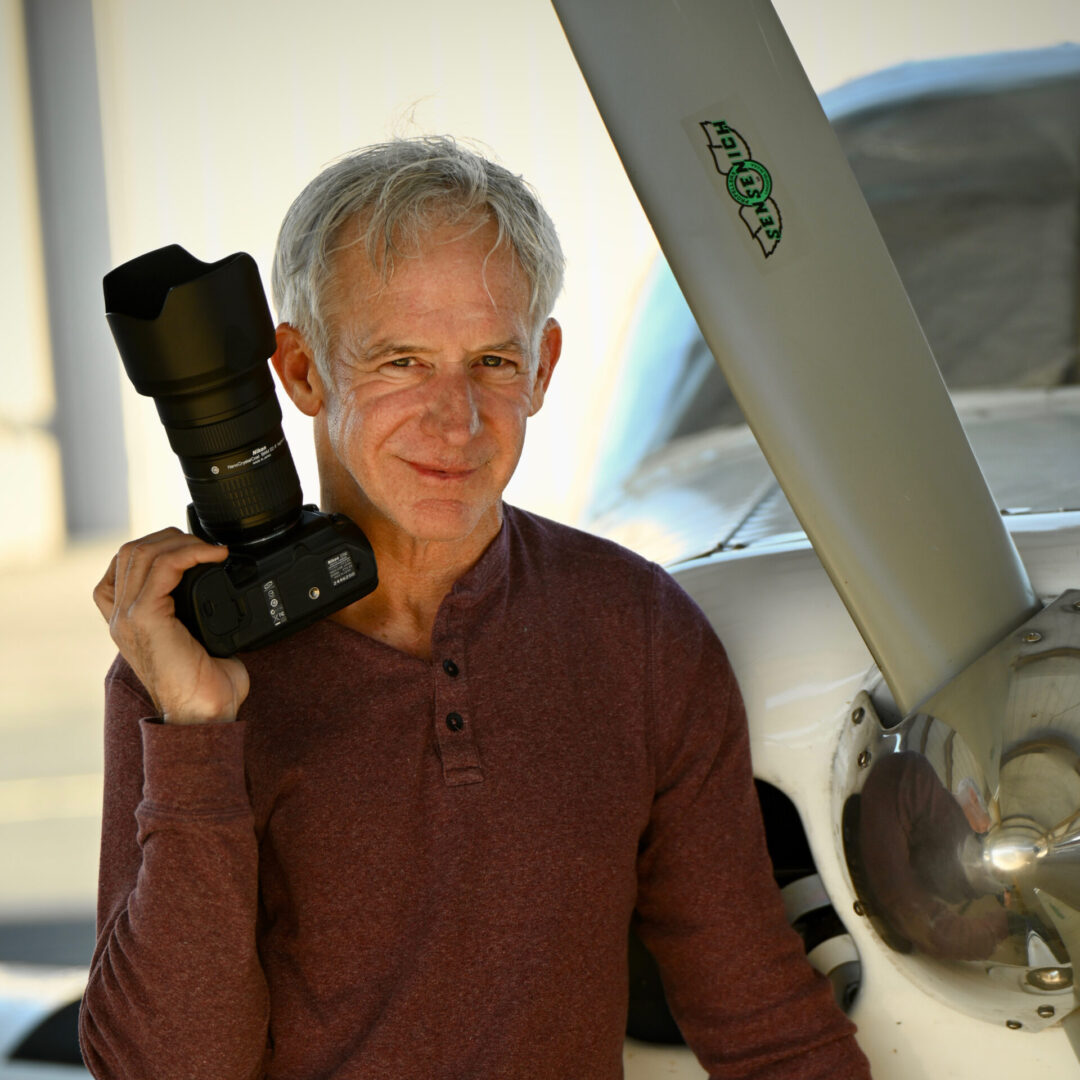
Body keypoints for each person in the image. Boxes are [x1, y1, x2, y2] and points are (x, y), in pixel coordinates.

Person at [80, 137, 870, 1079]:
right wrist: (198, 735)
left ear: (543, 366)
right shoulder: (177, 671)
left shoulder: (639, 633)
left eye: (493, 361)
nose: (455, 420)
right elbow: (166, 1069)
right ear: (299, 370)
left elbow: (762, 1019)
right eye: (402, 362)